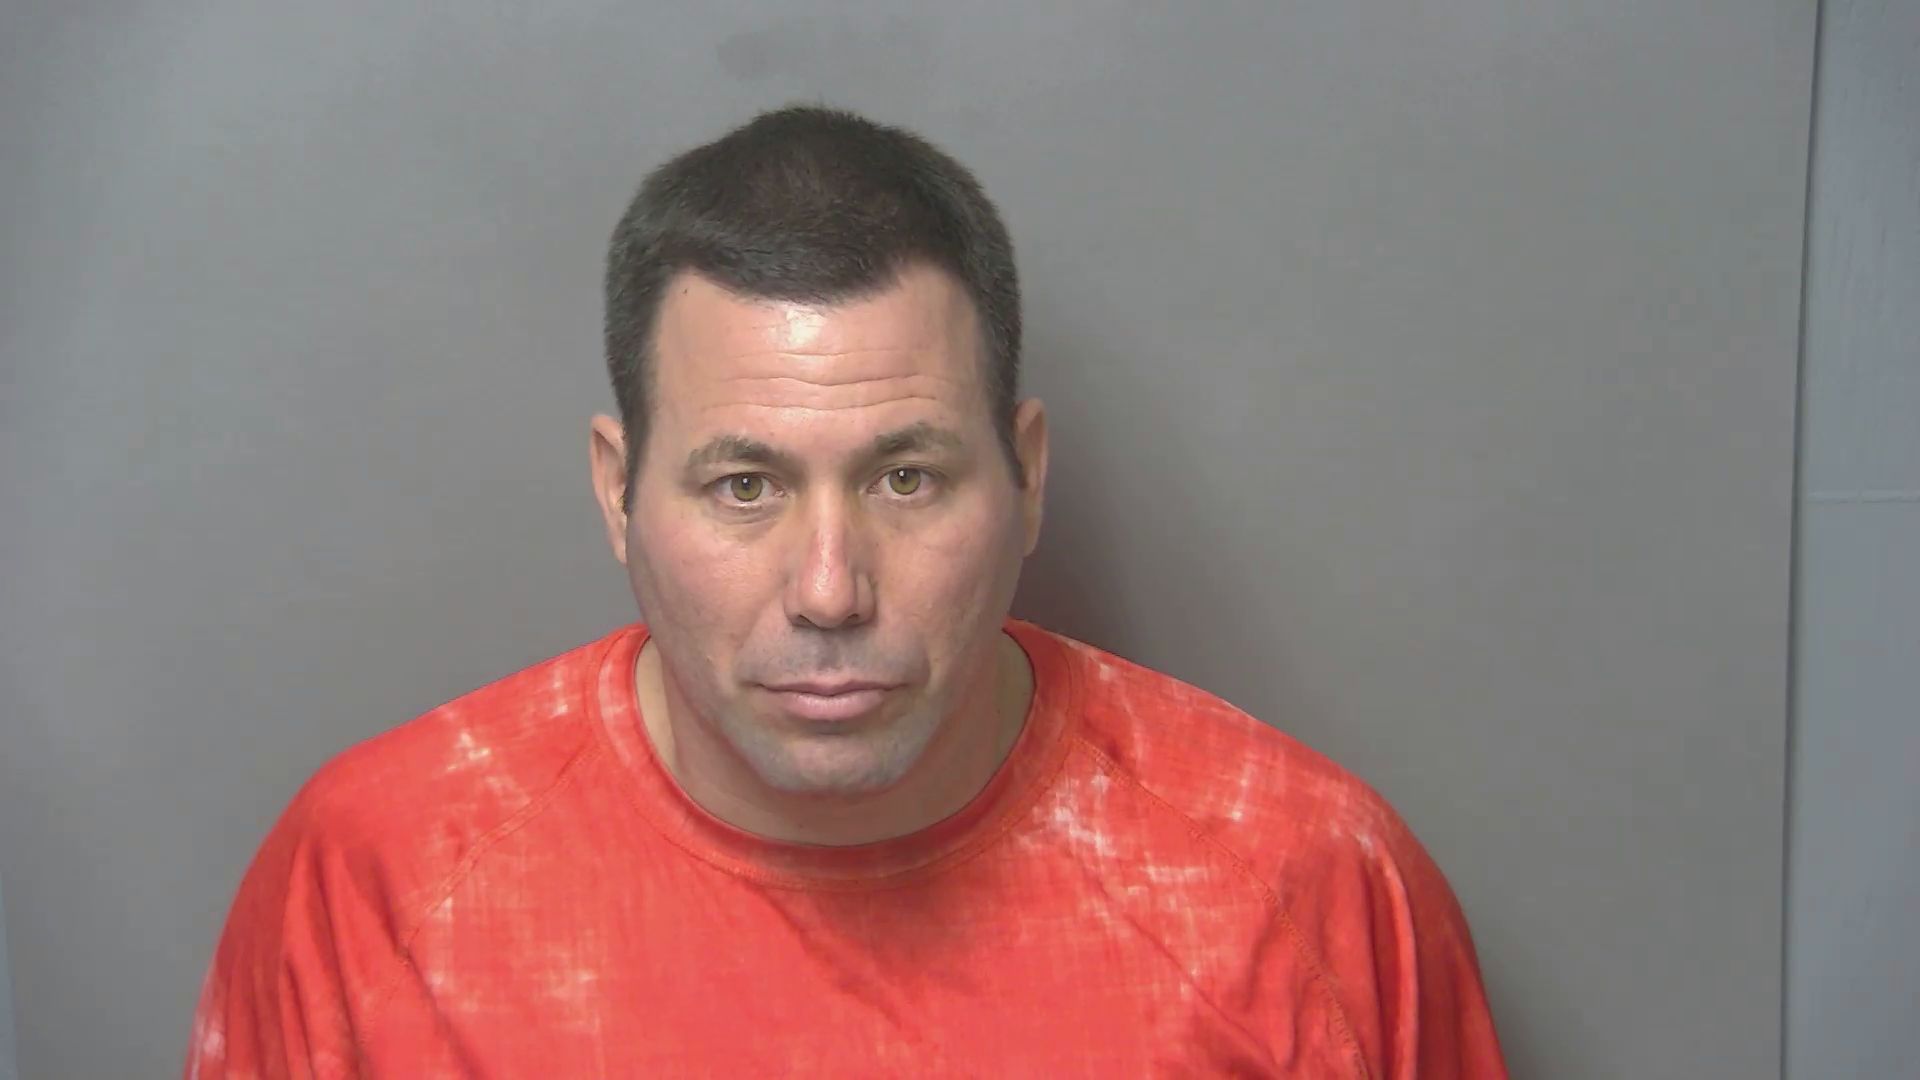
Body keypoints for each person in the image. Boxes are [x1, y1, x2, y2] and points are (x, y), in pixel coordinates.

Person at [184, 105, 1508, 1078]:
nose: (829, 590)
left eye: (908, 478)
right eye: (744, 485)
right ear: (618, 491)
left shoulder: (1303, 885)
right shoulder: (375, 888)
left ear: (1026, 478)